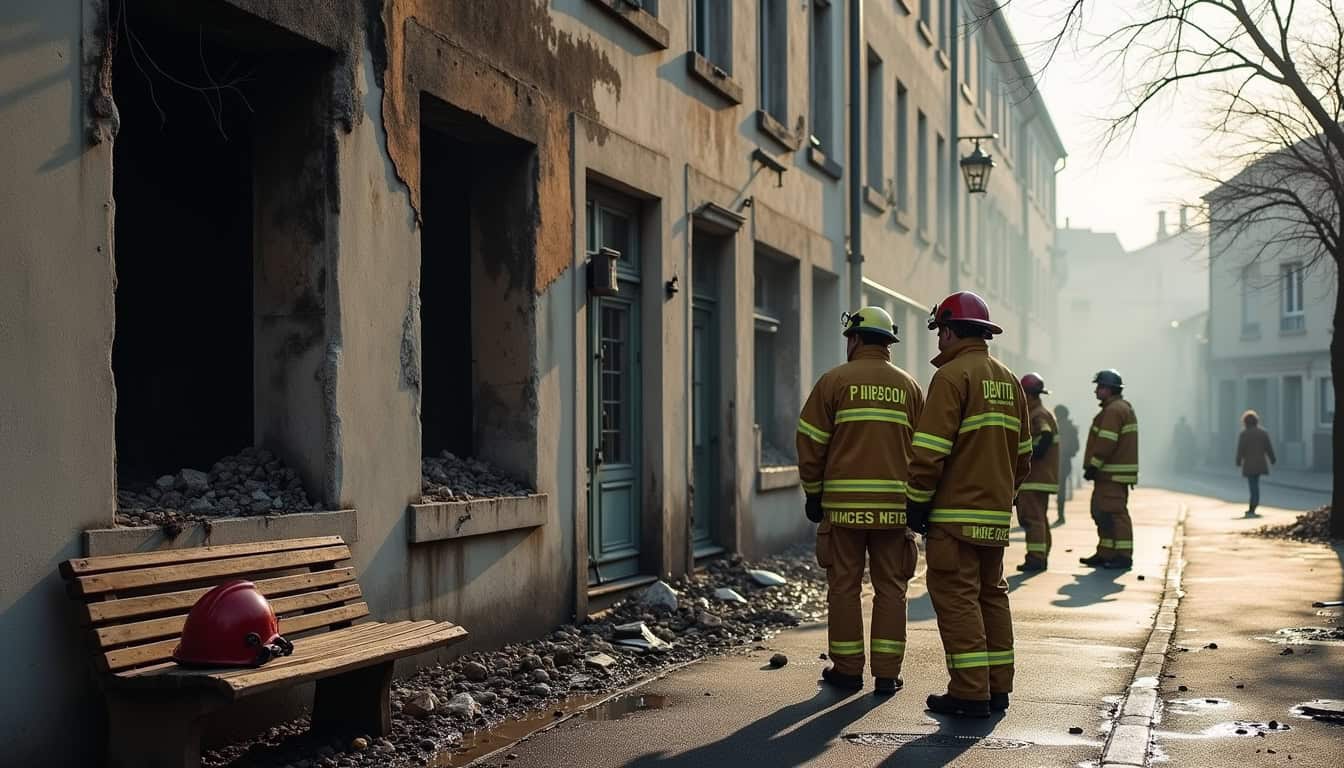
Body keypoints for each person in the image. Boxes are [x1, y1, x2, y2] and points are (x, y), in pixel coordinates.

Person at [905, 291, 1029, 719]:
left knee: (957, 599)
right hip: (994, 516)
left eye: (940, 330)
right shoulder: (1009, 380)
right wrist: (1004, 494)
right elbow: (1024, 455)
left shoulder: (951, 377)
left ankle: (970, 692)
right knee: (991, 596)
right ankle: (997, 687)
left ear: (950, 331)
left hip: (954, 517)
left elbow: (929, 451)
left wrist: (917, 502)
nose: (938, 339)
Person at [797, 306, 925, 695]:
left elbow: (811, 442)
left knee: (844, 587)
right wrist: (920, 502)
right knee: (892, 589)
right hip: (895, 511)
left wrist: (813, 493)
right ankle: (887, 674)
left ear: (853, 339)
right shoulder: (909, 387)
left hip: (843, 510)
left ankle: (848, 670)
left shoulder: (833, 382)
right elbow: (925, 449)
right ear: (888, 344)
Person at [1081, 369, 1140, 570]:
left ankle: (1123, 556)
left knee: (1115, 513)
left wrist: (1093, 465)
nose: (1096, 391)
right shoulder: (1116, 408)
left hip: (1112, 474)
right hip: (1109, 474)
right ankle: (1106, 552)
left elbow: (1107, 441)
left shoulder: (1114, 411)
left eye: (1099, 387)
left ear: (1109, 389)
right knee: (1101, 512)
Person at [1015, 374, 1059, 572]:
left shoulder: (1037, 414)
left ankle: (1036, 558)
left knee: (1031, 518)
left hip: (1034, 477)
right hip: (1041, 477)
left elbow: (1045, 434)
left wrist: (1031, 453)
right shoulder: (1040, 412)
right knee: (1039, 518)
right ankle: (1041, 555)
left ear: (1030, 395)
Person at [1235, 410, 1276, 517]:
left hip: (1249, 464)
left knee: (1253, 486)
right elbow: (1268, 447)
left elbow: (1240, 449)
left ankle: (1252, 507)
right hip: (1260, 463)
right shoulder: (1263, 433)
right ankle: (1253, 506)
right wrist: (1272, 459)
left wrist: (1238, 461)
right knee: (1255, 485)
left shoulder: (1244, 434)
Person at [1054, 404, 1079, 522]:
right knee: (1061, 489)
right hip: (1065, 461)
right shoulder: (1071, 428)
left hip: (1053, 461)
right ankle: (1061, 515)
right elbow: (1076, 447)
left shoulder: (1054, 426)